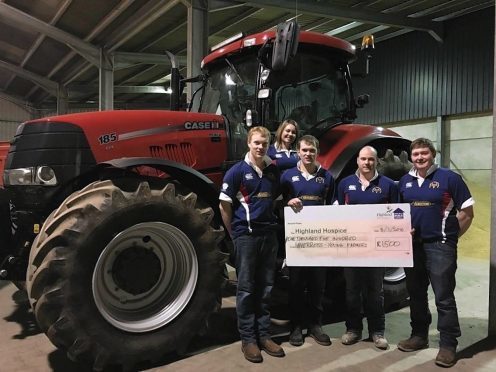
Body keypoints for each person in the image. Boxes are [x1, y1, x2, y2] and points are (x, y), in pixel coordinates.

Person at [397, 138, 474, 368]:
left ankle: (448, 344)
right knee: (416, 293)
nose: (420, 158)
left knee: (444, 297)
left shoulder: (450, 178)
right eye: (416, 154)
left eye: (424, 153)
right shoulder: (404, 182)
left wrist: (449, 238)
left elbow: (468, 213)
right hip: (413, 248)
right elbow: (397, 213)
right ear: (411, 157)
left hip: (440, 247)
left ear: (433, 155)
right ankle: (419, 336)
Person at [219, 126, 285, 363]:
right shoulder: (236, 172)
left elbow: (276, 202)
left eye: (264, 143)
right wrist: (235, 235)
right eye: (256, 142)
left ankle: (264, 335)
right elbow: (224, 206)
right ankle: (248, 340)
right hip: (246, 238)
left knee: (266, 287)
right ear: (248, 143)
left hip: (269, 237)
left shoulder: (273, 171)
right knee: (246, 289)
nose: (260, 147)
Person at [336, 145, 399, 350]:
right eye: (363, 159)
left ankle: (377, 332)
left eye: (371, 159)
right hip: (352, 248)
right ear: (357, 161)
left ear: (376, 161)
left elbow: (399, 216)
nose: (367, 163)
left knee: (375, 292)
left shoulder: (389, 185)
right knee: (352, 291)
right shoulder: (345, 184)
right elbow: (335, 213)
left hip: (376, 249)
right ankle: (353, 329)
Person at [280, 135, 334, 347]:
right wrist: (287, 201)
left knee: (317, 285)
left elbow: (334, 206)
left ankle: (315, 325)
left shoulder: (327, 177)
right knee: (296, 285)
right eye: (304, 150)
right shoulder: (287, 176)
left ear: (317, 151)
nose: (308, 154)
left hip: (319, 240)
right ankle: (295, 326)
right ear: (298, 152)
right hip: (297, 241)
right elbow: (278, 202)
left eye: (312, 150)